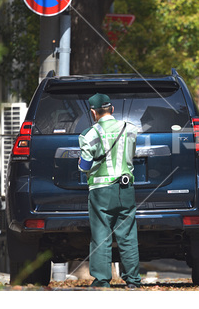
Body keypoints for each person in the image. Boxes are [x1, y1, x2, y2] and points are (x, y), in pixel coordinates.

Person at [78, 93, 141, 288]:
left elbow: (85, 166)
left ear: (93, 112)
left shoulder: (88, 135)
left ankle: (102, 280)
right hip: (125, 187)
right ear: (112, 109)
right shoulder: (130, 129)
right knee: (128, 235)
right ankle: (133, 281)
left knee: (101, 235)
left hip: (100, 191)